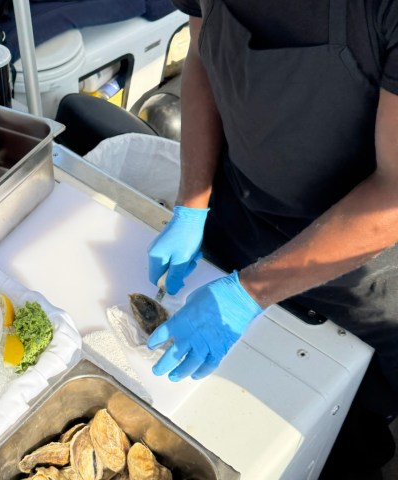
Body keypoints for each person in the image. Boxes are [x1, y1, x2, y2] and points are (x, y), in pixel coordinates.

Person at [145, 0, 398, 477]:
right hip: (241, 213)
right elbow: (202, 57)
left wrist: (249, 294)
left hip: (363, 267)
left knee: (336, 429)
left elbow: (394, 195)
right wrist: (192, 203)